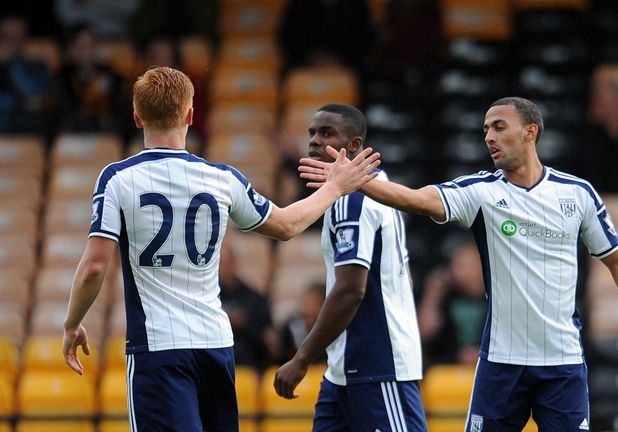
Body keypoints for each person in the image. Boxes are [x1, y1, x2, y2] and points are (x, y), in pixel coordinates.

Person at [299, 97, 618, 432]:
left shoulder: (577, 194)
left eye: (498, 127)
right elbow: (414, 199)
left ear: (530, 132)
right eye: (484, 130)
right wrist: (353, 181)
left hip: (563, 362)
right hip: (501, 364)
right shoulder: (482, 192)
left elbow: (617, 259)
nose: (489, 137)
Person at [61, 67, 380, 431]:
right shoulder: (222, 178)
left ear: (137, 117)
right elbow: (288, 225)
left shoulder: (117, 179)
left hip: (159, 348)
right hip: (216, 345)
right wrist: (334, 187)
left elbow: (94, 267)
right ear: (190, 115)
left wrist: (72, 323)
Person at [273, 104, 427, 431]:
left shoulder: (351, 200)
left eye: (327, 133)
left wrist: (301, 359)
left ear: (354, 145)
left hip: (377, 367)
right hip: (344, 371)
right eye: (312, 133)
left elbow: (350, 291)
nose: (314, 141)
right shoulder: (373, 186)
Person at [419, 240, 487, 366]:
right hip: (447, 370)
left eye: (466, 266)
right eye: (456, 265)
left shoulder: (495, 298)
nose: (458, 271)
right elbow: (425, 332)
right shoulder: (446, 295)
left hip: (486, 367)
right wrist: (432, 295)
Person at [219, 241, 277, 373]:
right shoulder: (205, 298)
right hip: (215, 367)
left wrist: (245, 323)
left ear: (234, 263)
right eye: (218, 264)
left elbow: (268, 340)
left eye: (224, 263)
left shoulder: (254, 299)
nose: (220, 268)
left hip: (249, 367)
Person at [0, 15, 51, 133]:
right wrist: (20, 103)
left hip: (27, 126)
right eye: (7, 37)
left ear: (25, 40)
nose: (12, 43)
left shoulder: (37, 66)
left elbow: (35, 97)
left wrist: (13, 65)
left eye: (17, 37)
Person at [276, 281, 326, 364]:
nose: (304, 310)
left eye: (310, 305)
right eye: (304, 304)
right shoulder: (291, 328)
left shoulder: (334, 330)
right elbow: (281, 357)